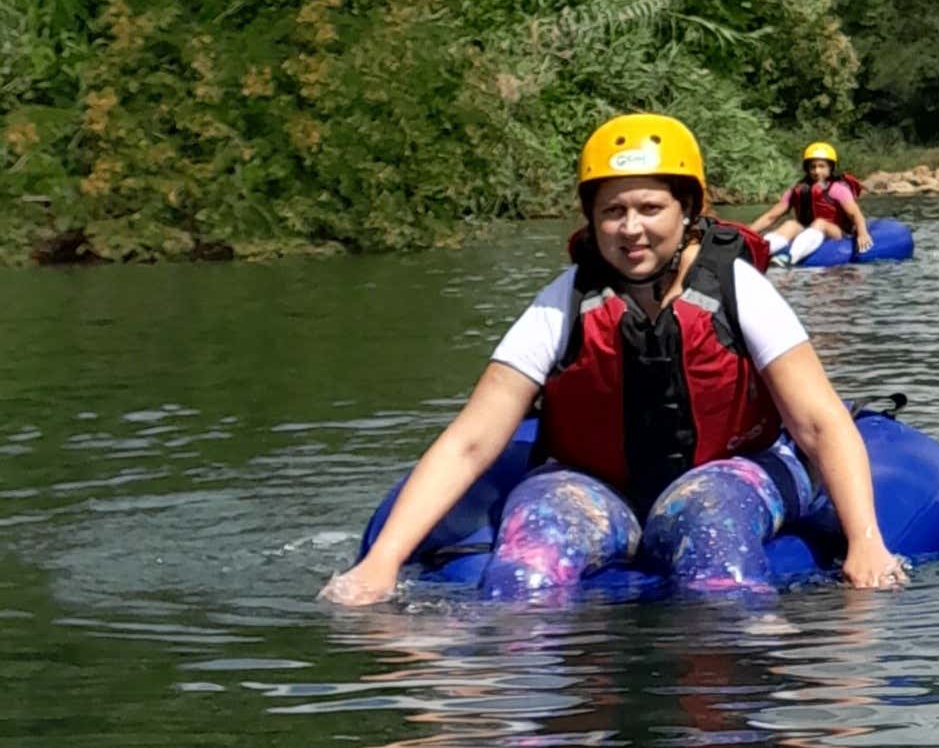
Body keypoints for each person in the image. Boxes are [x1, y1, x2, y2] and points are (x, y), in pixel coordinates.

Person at [322, 113, 908, 605]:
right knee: (519, 578)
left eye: (650, 208)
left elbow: (817, 422)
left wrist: (865, 541)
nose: (631, 229)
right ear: (591, 218)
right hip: (595, 485)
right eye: (612, 211)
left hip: (730, 473)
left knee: (714, 551)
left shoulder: (740, 288)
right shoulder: (564, 301)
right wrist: (382, 564)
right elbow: (471, 441)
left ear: (687, 210)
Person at [751, 141, 872, 267]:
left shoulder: (838, 189)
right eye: (812, 167)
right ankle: (755, 251)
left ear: (831, 168)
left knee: (820, 223)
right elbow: (771, 216)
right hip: (808, 230)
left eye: (822, 166)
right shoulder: (797, 190)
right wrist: (748, 232)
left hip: (836, 231)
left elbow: (855, 214)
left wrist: (862, 234)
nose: (816, 171)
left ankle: (790, 257)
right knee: (790, 224)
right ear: (807, 168)